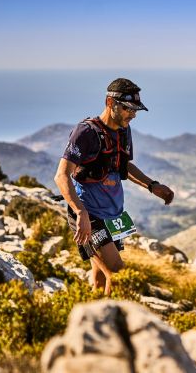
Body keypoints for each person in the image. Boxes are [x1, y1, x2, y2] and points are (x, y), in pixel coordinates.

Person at [54, 78, 174, 295]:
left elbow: (123, 166)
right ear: (110, 102)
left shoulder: (123, 131)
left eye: (136, 110)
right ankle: (111, 323)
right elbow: (61, 176)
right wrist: (80, 212)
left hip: (112, 215)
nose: (133, 114)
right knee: (118, 273)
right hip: (88, 214)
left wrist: (152, 185)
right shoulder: (86, 132)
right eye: (128, 108)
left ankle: (91, 318)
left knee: (100, 279)